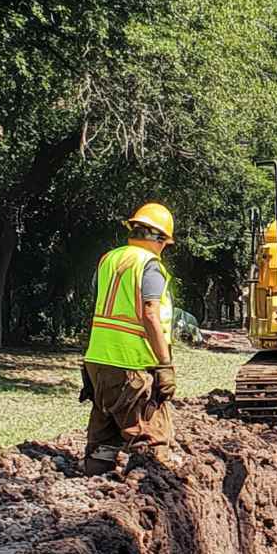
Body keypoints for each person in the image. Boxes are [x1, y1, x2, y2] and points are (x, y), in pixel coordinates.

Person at [80, 203, 178, 474]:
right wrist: (165, 364)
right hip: (130, 365)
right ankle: (152, 492)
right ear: (159, 239)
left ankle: (96, 479)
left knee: (105, 430)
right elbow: (150, 314)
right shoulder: (150, 266)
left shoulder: (108, 260)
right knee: (149, 436)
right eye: (165, 243)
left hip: (98, 362)